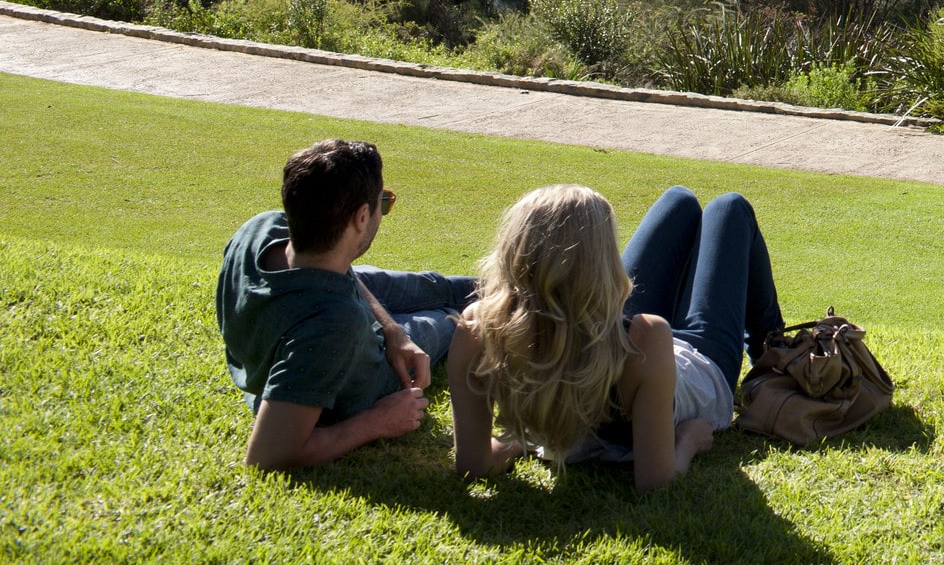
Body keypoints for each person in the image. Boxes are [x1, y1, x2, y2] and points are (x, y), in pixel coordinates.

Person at [450, 184, 784, 493]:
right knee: (730, 208)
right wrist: (688, 441)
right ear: (599, 262)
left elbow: (474, 465)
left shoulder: (478, 329)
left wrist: (517, 442)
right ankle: (778, 356)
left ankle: (777, 349)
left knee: (679, 200)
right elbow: (657, 481)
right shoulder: (646, 336)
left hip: (608, 336)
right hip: (694, 371)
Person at [215, 138, 477, 470]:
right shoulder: (331, 326)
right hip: (373, 367)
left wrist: (393, 330)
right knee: (452, 316)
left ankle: (537, 284)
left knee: (435, 285)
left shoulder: (261, 229)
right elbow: (267, 455)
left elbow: (334, 272)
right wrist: (377, 422)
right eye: (384, 202)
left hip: (358, 300)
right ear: (362, 217)